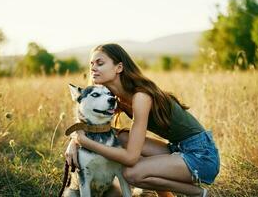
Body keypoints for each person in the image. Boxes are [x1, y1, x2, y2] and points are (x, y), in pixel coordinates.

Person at [65, 43, 220, 197]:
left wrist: (85, 142)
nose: (93, 68)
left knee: (132, 173)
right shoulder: (117, 99)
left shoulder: (140, 97)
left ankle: (199, 193)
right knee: (122, 136)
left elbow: (131, 158)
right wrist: (74, 141)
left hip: (201, 155)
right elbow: (93, 126)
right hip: (177, 148)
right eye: (91, 64)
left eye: (100, 63)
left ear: (119, 68)